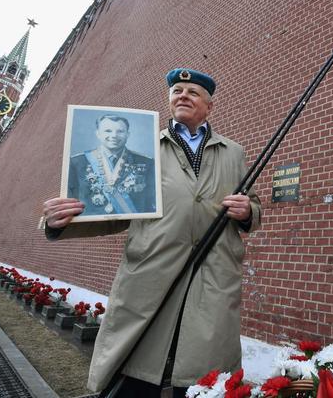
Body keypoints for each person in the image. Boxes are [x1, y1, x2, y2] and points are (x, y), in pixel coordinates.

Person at [43, 68, 262, 397]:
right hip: (152, 273)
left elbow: (253, 204)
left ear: (209, 106)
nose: (182, 96)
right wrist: (61, 221)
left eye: (192, 92)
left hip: (212, 275)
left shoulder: (233, 152)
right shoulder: (144, 149)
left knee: (201, 378)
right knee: (137, 375)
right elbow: (117, 213)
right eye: (177, 91)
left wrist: (248, 212)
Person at [68, 114, 156, 215]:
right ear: (98, 134)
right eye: (108, 131)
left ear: (128, 134)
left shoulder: (147, 162)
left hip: (132, 226)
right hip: (92, 227)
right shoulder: (77, 162)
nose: (114, 135)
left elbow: (151, 203)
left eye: (120, 131)